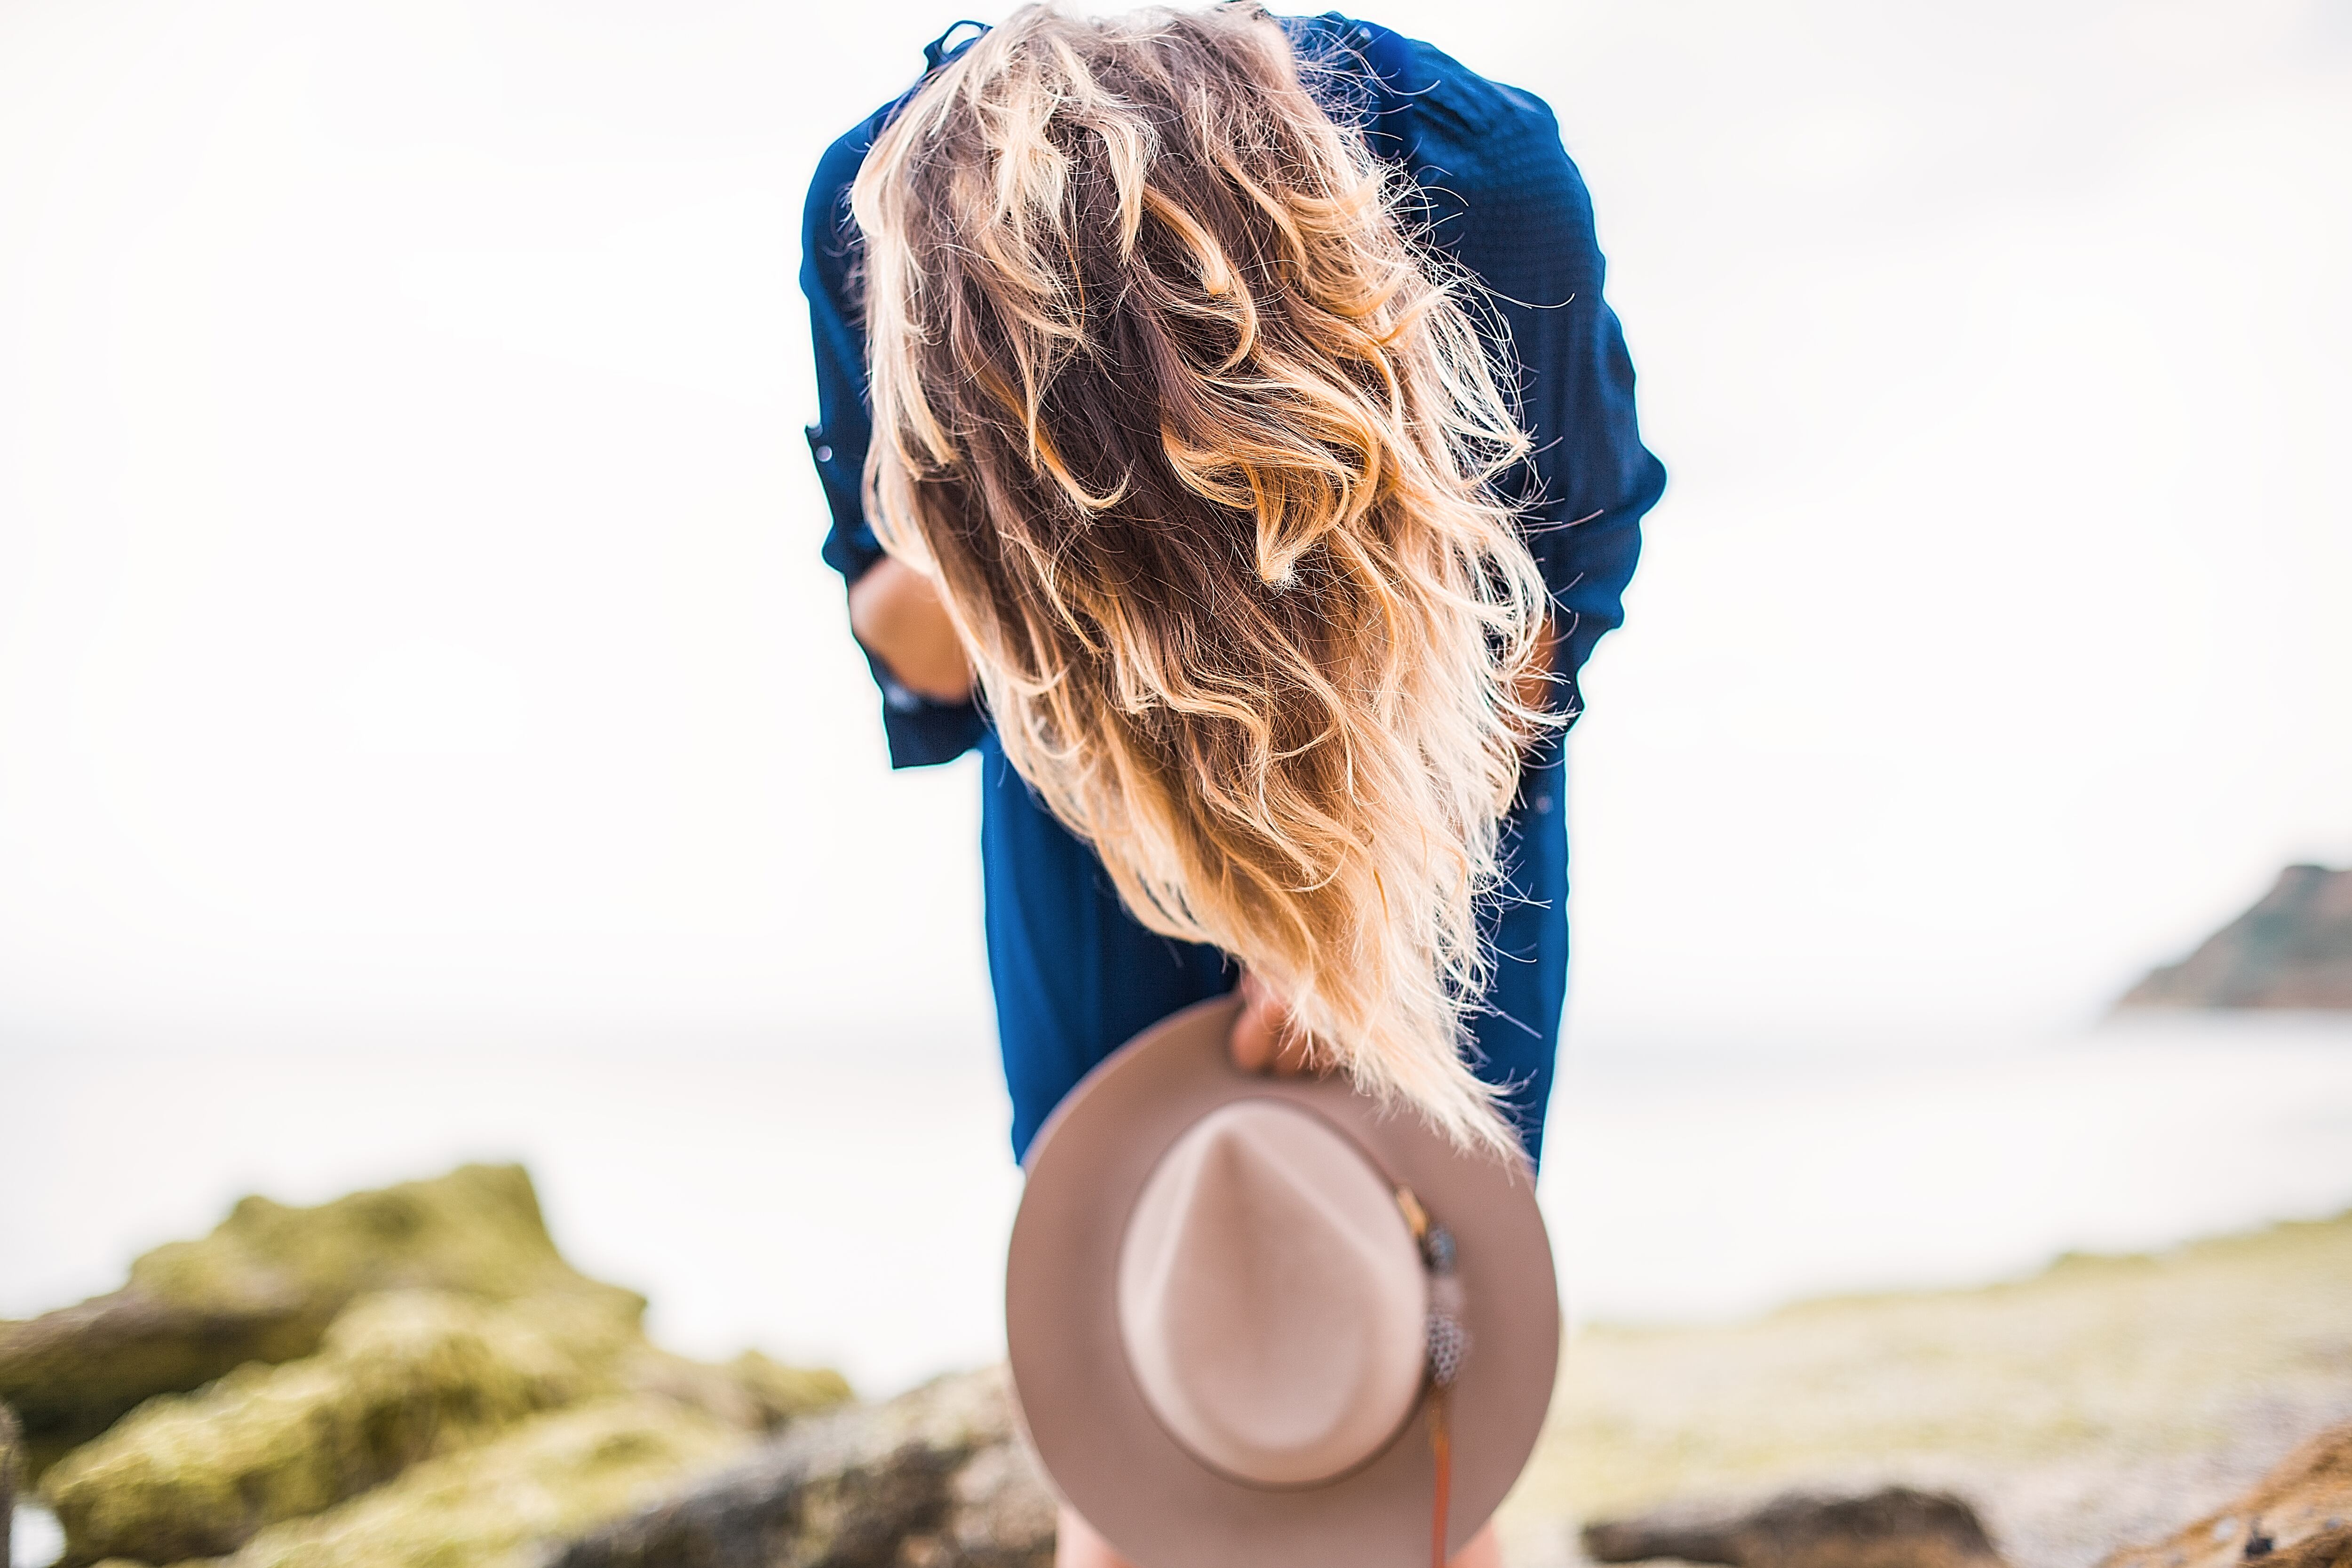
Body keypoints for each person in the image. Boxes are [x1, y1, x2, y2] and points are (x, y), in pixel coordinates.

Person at [802, 7, 1663, 1564]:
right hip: (1090, 817)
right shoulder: (887, 206)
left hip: (1433, 805)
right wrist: (973, 499)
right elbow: (918, 654)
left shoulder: (1477, 172)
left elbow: (1550, 597)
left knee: (1412, 1374)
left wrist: (1359, 933)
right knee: (1138, 1404)